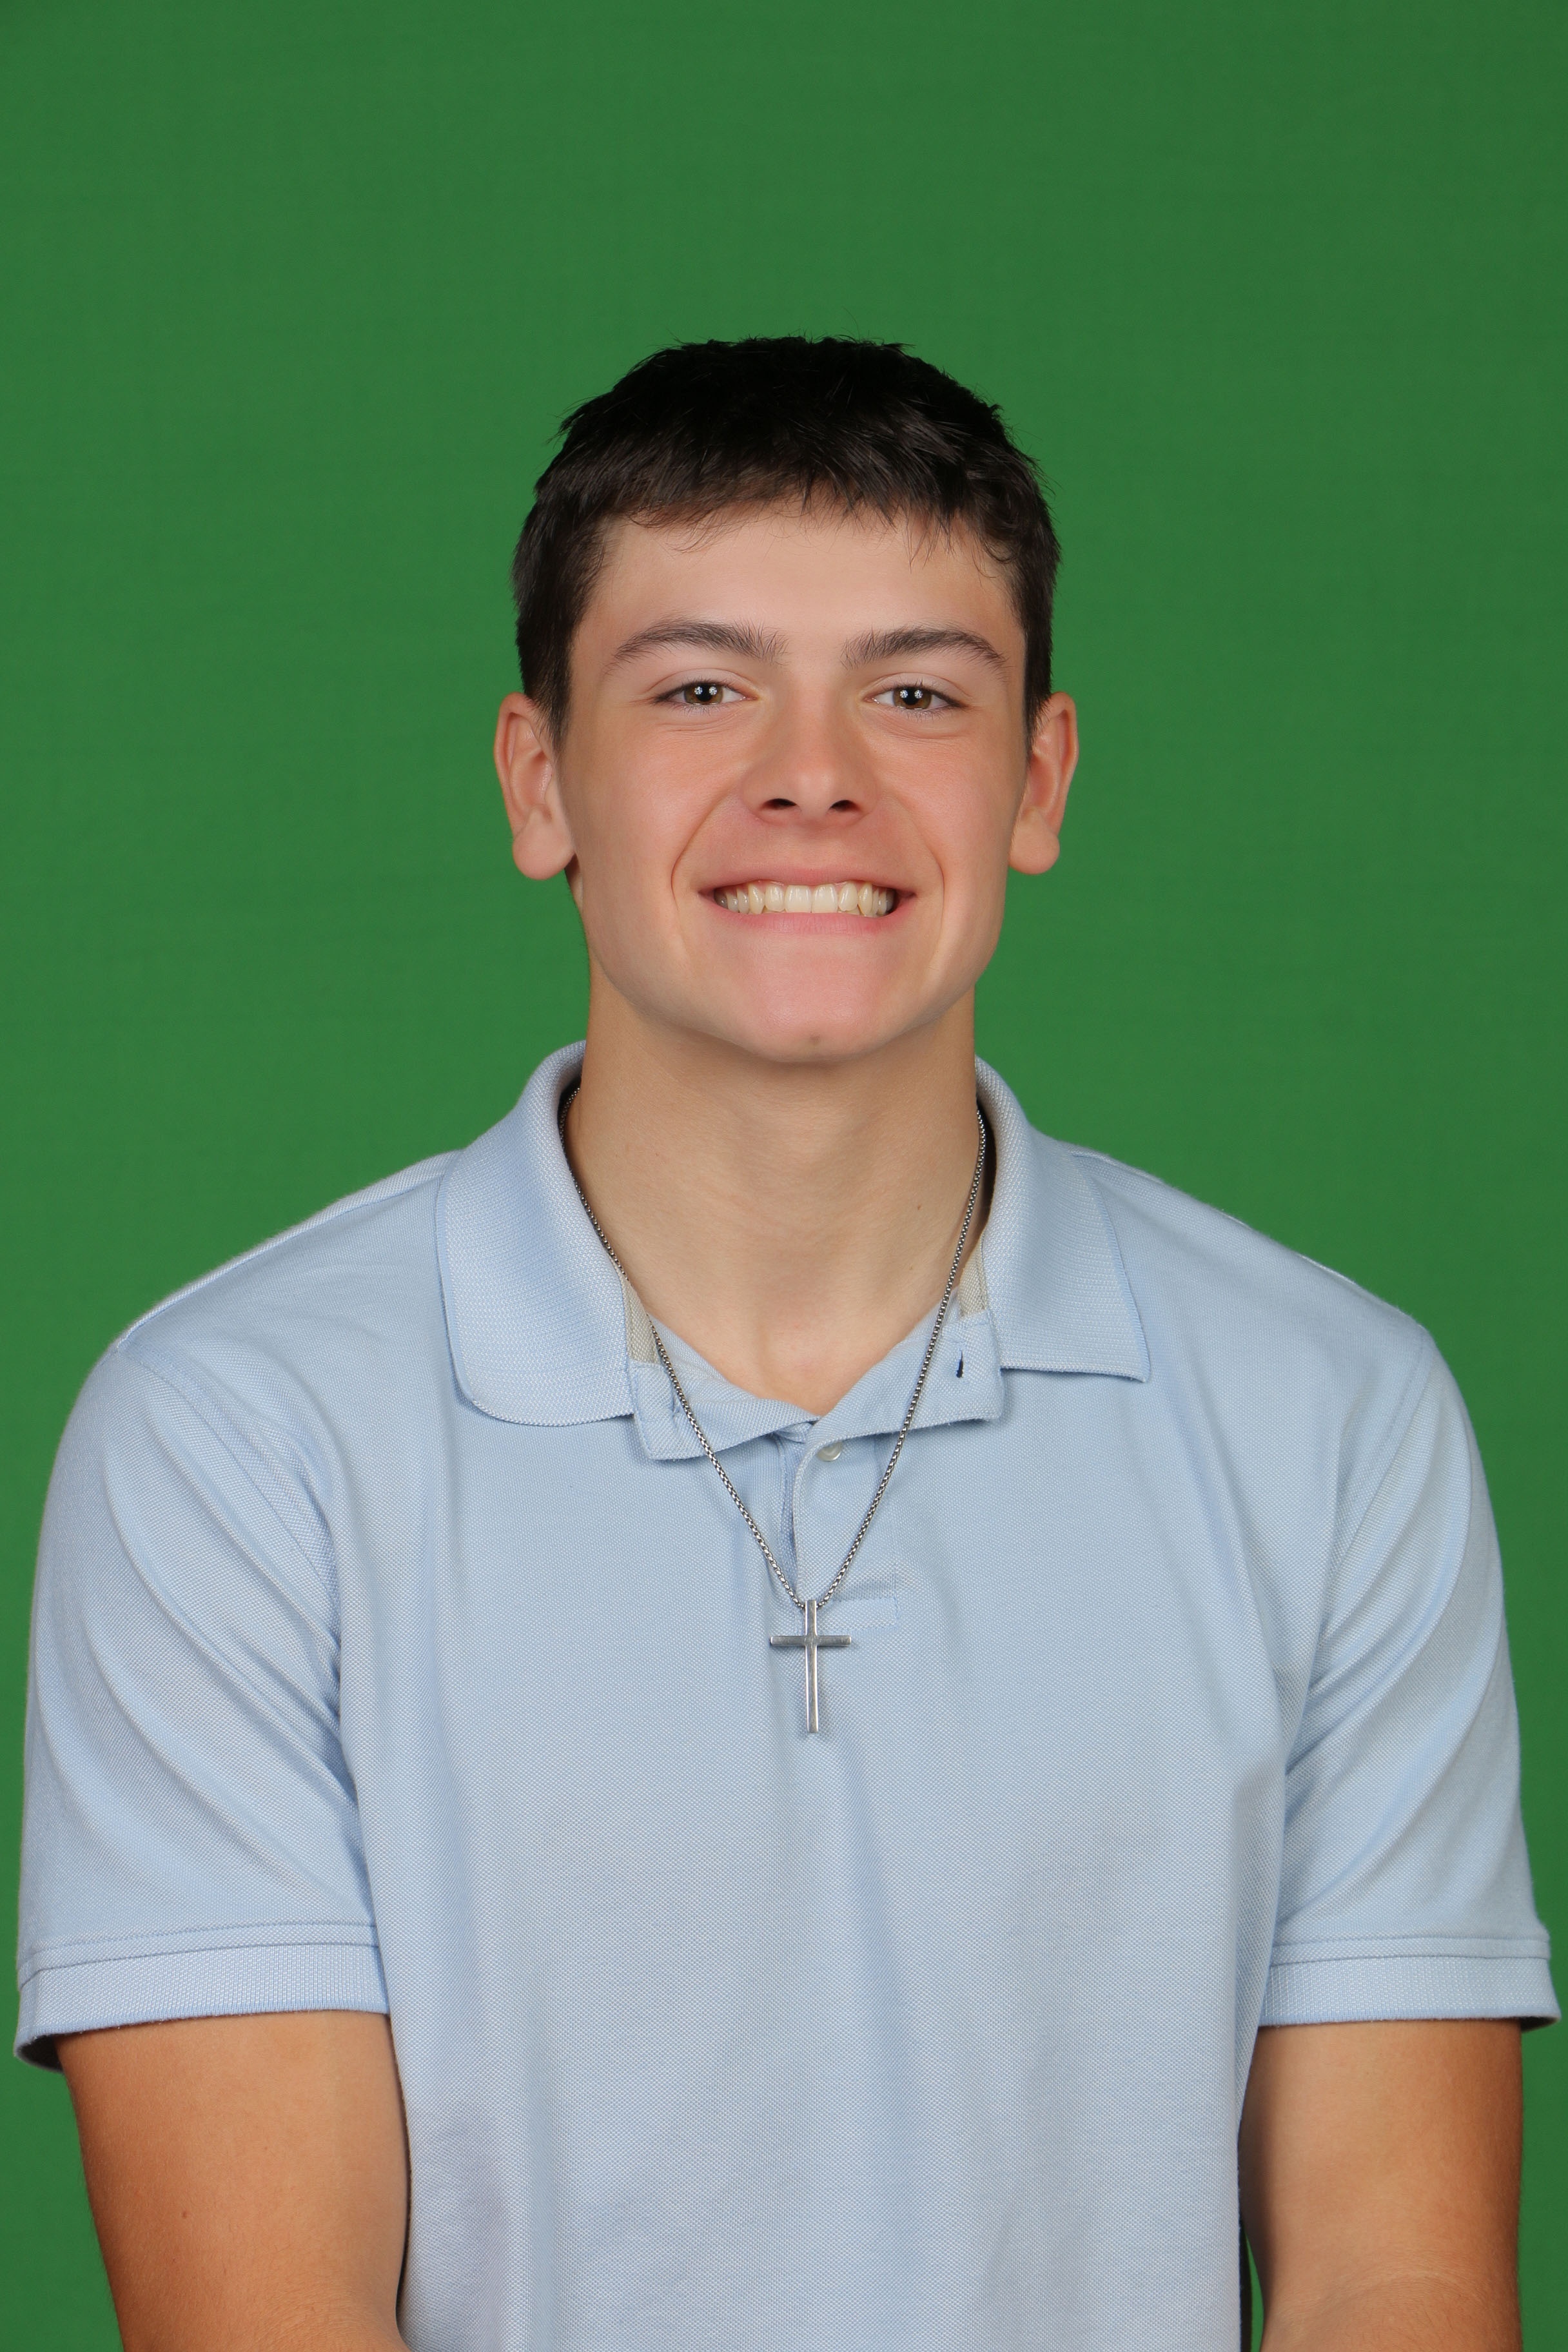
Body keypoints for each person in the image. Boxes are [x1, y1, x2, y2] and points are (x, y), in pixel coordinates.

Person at [18, 337, 1554, 2352]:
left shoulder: (1336, 1413)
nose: (813, 772)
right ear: (539, 782)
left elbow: (1392, 2281)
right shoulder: (232, 1436)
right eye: (699, 689)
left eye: (917, 693)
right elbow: (265, 2317)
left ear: (1040, 781)